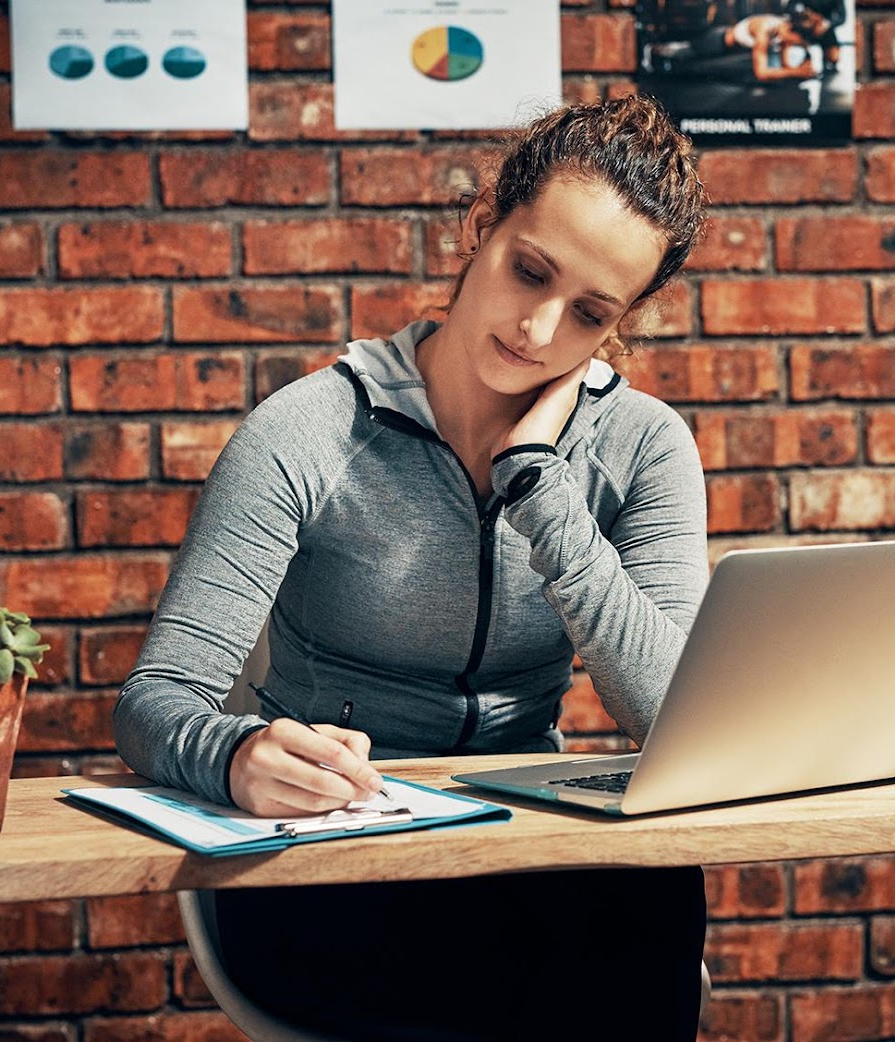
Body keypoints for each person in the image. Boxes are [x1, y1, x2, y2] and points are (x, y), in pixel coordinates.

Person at [114, 93, 711, 1041]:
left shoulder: (643, 448)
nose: (540, 328)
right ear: (481, 228)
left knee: (645, 903)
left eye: (589, 312)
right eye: (529, 271)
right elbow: (155, 701)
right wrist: (236, 757)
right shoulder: (306, 431)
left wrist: (541, 488)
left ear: (622, 322)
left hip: (525, 857)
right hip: (331, 860)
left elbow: (677, 721)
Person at [645, 1, 845, 81]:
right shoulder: (765, 30)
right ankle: (651, 51)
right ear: (793, 31)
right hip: (717, 40)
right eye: (798, 41)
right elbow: (762, 72)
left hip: (731, 50)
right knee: (683, 52)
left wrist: (800, 73)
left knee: (695, 64)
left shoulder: (783, 31)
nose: (795, 44)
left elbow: (784, 62)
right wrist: (797, 72)